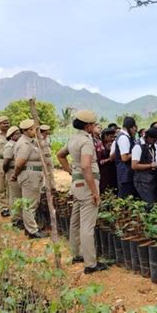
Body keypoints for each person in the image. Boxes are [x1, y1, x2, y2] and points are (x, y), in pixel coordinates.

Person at [57, 110, 108, 274]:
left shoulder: (73, 139)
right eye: (93, 124)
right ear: (88, 126)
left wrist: (70, 171)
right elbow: (86, 166)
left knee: (76, 221)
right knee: (87, 225)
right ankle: (90, 263)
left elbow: (60, 155)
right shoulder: (86, 142)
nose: (94, 126)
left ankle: (77, 253)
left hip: (77, 183)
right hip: (87, 184)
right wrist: (95, 191)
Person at [11, 119, 48, 239]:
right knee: (30, 204)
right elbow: (19, 163)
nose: (35, 131)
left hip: (33, 175)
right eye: (33, 129)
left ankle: (30, 228)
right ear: (26, 130)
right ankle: (32, 230)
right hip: (29, 175)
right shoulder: (24, 144)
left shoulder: (30, 142)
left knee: (32, 202)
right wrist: (15, 175)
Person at [132, 127, 157, 206]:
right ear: (148, 137)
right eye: (153, 140)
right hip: (142, 180)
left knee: (156, 203)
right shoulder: (138, 147)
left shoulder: (152, 145)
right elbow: (134, 165)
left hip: (152, 179)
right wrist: (150, 165)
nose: (154, 142)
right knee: (150, 204)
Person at [2, 126, 22, 228]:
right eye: (17, 133)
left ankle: (20, 218)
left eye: (19, 133)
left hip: (18, 171)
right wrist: (7, 172)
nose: (19, 135)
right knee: (15, 196)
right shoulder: (10, 146)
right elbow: (6, 163)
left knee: (19, 195)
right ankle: (16, 220)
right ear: (11, 136)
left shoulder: (18, 144)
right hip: (12, 170)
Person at [115, 117, 139, 198]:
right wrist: (136, 153)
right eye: (134, 129)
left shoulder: (126, 137)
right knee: (125, 197)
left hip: (127, 173)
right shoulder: (124, 138)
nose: (134, 132)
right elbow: (124, 157)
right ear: (131, 127)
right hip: (125, 174)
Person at [97, 128, 118, 194]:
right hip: (104, 171)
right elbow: (99, 160)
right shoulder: (99, 145)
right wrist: (108, 159)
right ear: (105, 136)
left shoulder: (114, 144)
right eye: (111, 137)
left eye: (114, 137)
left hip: (113, 170)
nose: (112, 139)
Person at [39, 125, 56, 190]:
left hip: (49, 156)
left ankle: (52, 186)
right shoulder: (39, 139)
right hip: (43, 157)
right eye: (47, 130)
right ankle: (44, 187)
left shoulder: (49, 138)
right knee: (43, 173)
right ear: (44, 131)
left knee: (51, 171)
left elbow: (50, 147)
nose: (49, 131)